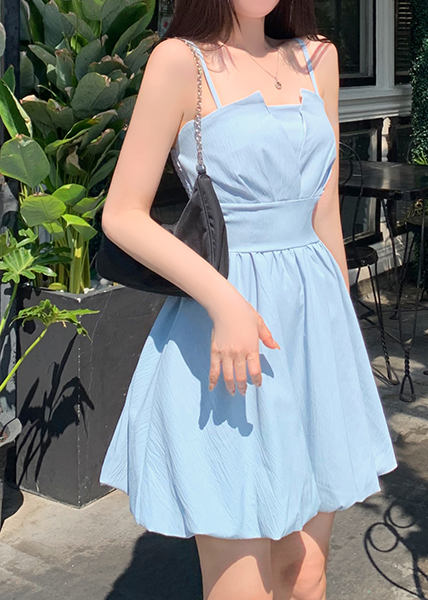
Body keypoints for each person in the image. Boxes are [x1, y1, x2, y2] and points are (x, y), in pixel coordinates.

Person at [99, 1, 397, 598]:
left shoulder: (318, 57)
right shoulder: (180, 62)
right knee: (243, 585)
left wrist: (340, 327)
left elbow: (325, 209)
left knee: (304, 575)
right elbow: (123, 215)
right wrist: (224, 301)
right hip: (225, 334)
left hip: (312, 329)